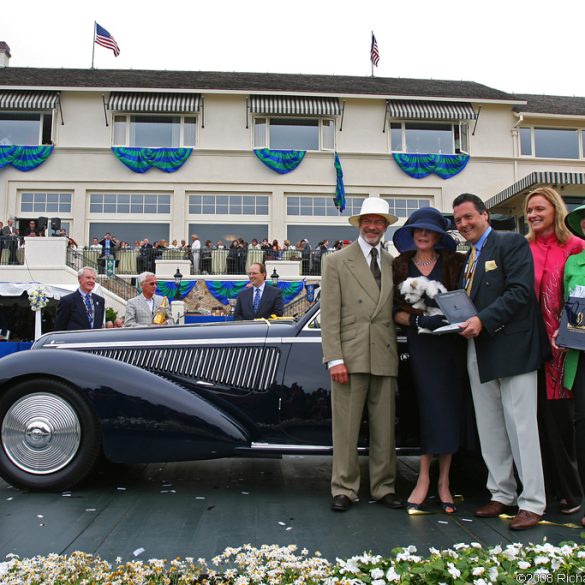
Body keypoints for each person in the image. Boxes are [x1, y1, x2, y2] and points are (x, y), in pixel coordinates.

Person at [452, 193, 549, 530]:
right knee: (490, 426)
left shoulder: (510, 244)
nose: (464, 225)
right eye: (458, 221)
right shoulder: (468, 258)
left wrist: (483, 320)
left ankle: (533, 502)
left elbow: (521, 292)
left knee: (521, 427)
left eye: (468, 217)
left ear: (485, 214)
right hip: (478, 348)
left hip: (513, 348)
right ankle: (501, 492)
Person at [320, 197, 402, 512]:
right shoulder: (337, 260)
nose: (372, 226)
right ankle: (344, 488)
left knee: (384, 428)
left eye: (379, 221)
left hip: (383, 353)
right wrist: (335, 358)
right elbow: (330, 314)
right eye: (368, 220)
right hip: (350, 356)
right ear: (359, 224)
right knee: (346, 428)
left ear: (385, 227)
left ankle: (384, 487)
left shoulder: (392, 262)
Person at [392, 207, 469, 513]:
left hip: (451, 346)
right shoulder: (399, 265)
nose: (422, 235)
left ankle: (444, 482)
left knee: (449, 409)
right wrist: (417, 323)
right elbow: (393, 310)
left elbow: (467, 301)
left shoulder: (455, 263)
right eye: (418, 230)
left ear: (438, 235)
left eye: (428, 230)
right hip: (419, 347)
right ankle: (422, 477)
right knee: (425, 408)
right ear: (411, 235)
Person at [525, 187, 585, 515]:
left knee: (564, 422)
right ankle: (543, 491)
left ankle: (571, 493)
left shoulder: (577, 248)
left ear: (555, 210)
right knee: (535, 421)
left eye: (540, 209)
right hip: (531, 347)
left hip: (569, 349)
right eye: (529, 210)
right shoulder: (524, 249)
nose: (533, 215)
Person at [557, 203, 585, 528]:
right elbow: (569, 305)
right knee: (582, 431)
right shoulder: (574, 263)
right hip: (579, 356)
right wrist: (561, 328)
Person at [54, 267, 105, 331]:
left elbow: (99, 325)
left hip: (94, 340)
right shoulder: (67, 301)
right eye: (88, 278)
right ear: (79, 279)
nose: (91, 281)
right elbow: (59, 327)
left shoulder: (100, 301)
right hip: (75, 340)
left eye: (93, 278)